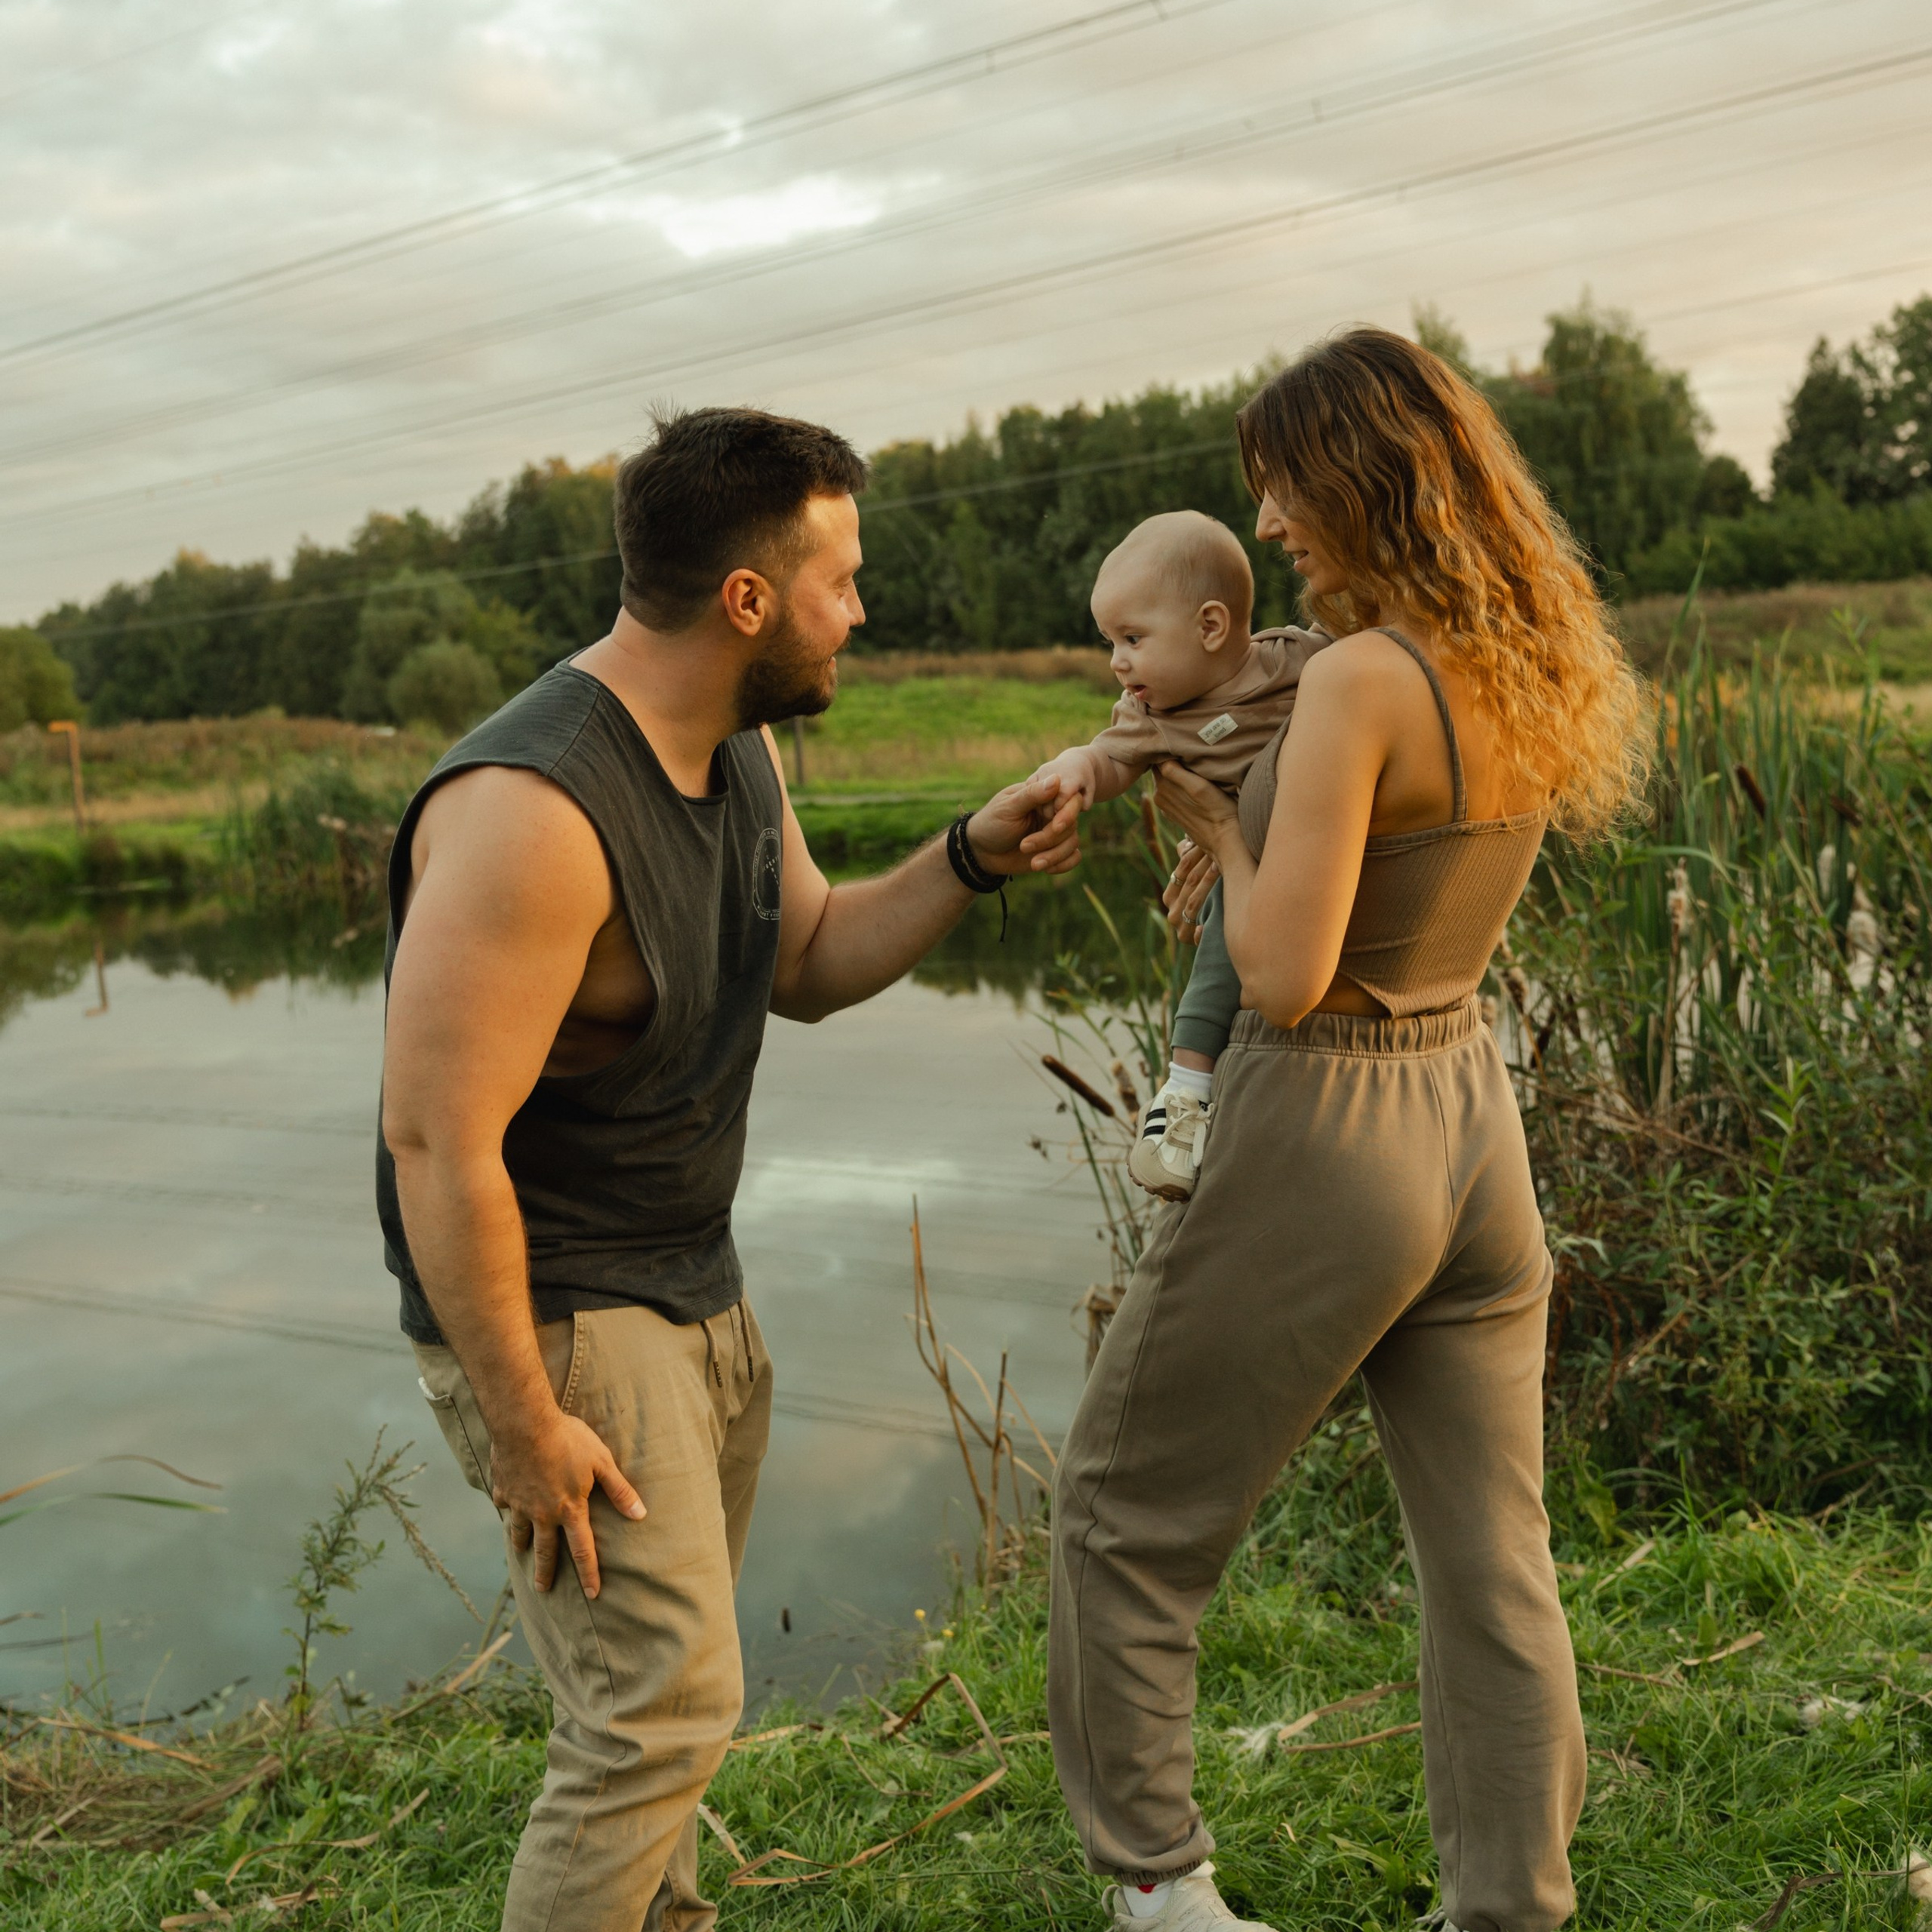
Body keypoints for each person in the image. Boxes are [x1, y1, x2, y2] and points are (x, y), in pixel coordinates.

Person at [378, 405, 1080, 1932]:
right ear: (747, 600)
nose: (863, 609)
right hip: (561, 1310)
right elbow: (437, 1137)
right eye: (841, 577)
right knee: (657, 1713)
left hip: (694, 1281)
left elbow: (811, 956)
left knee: (665, 1716)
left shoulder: (737, 744)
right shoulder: (532, 812)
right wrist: (523, 1415)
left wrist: (968, 853)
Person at [1048, 329, 1651, 1932]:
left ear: (1361, 480)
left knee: (1119, 1508)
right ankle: (1510, 1907)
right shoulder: (1516, 653)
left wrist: (1202, 829)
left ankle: (1160, 1893)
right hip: (1467, 1116)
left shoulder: (1362, 682)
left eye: (1286, 492)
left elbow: (1279, 969)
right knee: (1488, 1555)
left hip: (1324, 1112)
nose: (1271, 527)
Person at [1027, 509, 1328, 1199]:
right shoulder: (1151, 718)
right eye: (1109, 641)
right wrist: (1073, 772)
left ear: (1212, 627)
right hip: (1247, 873)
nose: (1117, 662)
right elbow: (1108, 759)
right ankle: (1185, 1101)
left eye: (1132, 638)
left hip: (1321, 853)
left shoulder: (1296, 659)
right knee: (1217, 956)